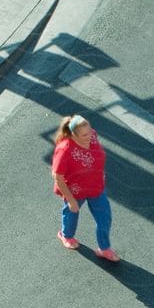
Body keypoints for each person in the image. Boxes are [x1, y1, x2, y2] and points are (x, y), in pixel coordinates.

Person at [52, 113, 117, 263]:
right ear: (73, 135)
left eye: (89, 131)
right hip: (75, 191)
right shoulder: (65, 150)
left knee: (104, 218)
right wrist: (70, 200)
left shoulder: (92, 135)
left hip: (96, 187)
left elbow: (96, 155)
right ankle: (66, 235)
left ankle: (104, 249)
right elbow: (58, 177)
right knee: (71, 213)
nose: (89, 136)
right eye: (84, 135)